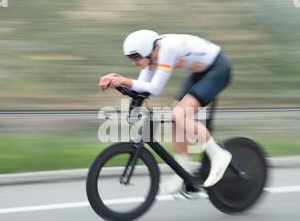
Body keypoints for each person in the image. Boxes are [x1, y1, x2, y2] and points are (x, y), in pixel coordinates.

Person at [98, 30, 232, 195]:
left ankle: (218, 154)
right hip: (200, 73)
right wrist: (116, 82)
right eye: (130, 58)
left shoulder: (167, 49)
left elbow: (155, 88)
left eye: (135, 57)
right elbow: (141, 85)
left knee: (179, 114)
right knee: (175, 117)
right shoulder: (152, 56)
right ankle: (184, 169)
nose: (133, 62)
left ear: (148, 51)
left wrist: (124, 80)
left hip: (218, 69)